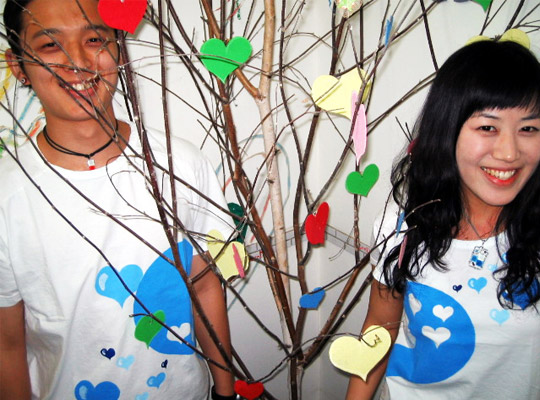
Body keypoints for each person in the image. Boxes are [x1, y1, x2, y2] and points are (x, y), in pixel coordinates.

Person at [0, 0, 237, 399]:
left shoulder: (181, 165)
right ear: (18, 65)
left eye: (94, 39)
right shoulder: (9, 194)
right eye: (50, 45)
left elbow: (205, 287)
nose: (77, 61)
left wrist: (225, 392)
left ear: (119, 48)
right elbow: (7, 342)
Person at [346, 40, 540, 399]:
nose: (509, 152)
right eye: (488, 127)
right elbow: (380, 327)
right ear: (447, 131)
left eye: (529, 129)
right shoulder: (401, 228)